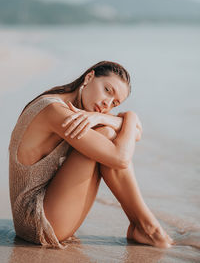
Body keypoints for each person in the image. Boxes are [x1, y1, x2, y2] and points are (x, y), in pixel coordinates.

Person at [9, 60, 174, 249]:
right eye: (107, 90)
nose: (107, 103)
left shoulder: (79, 111)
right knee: (108, 136)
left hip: (50, 212)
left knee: (109, 134)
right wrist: (131, 116)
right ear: (89, 77)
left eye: (115, 103)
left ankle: (144, 227)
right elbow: (121, 158)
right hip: (36, 223)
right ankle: (148, 228)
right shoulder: (54, 110)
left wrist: (102, 117)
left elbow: (135, 133)